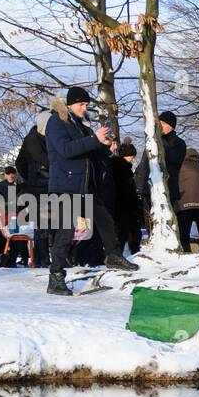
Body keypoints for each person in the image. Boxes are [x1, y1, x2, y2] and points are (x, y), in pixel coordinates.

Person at [44, 86, 138, 295]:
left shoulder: (81, 125)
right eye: (81, 104)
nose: (84, 108)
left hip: (85, 185)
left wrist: (105, 145)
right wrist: (94, 139)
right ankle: (56, 276)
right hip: (65, 186)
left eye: (86, 105)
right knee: (66, 232)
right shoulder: (56, 122)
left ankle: (113, 255)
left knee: (105, 219)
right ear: (70, 104)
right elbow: (66, 150)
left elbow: (92, 153)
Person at [15, 110, 52, 266]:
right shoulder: (32, 140)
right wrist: (32, 177)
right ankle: (41, 260)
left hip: (49, 184)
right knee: (42, 225)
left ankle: (46, 258)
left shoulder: (49, 138)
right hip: (38, 186)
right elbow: (20, 163)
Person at [135, 110, 187, 213]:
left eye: (163, 123)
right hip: (146, 189)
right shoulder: (152, 141)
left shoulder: (178, 143)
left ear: (171, 126)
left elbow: (173, 159)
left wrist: (158, 140)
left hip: (166, 189)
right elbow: (144, 163)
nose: (160, 126)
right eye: (159, 123)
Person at [110, 141, 143, 255]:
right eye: (131, 156)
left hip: (121, 206)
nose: (133, 159)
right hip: (123, 206)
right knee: (125, 232)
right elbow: (126, 189)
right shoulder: (122, 169)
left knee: (124, 233)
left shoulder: (119, 167)